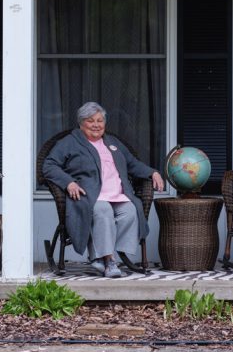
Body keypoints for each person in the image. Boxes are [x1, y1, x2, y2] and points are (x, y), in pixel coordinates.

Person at [41, 101, 164, 278]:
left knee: (131, 210)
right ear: (81, 123)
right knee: (103, 210)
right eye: (91, 121)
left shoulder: (112, 142)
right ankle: (110, 260)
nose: (96, 125)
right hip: (89, 196)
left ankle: (99, 256)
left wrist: (153, 173)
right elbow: (49, 165)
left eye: (100, 120)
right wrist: (69, 183)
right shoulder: (69, 142)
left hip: (118, 195)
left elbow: (132, 164)